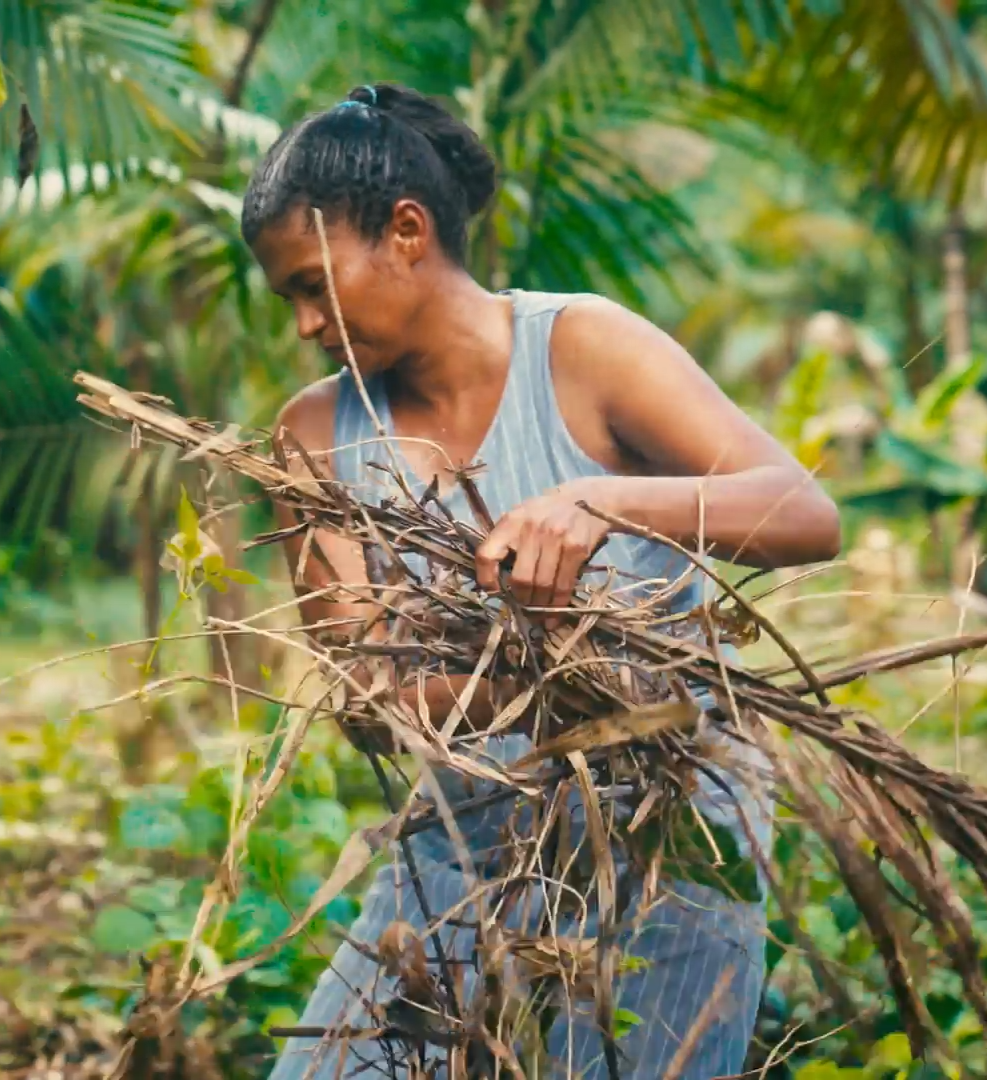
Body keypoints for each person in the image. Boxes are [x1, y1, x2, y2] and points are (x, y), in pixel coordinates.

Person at [242, 82, 840, 1080]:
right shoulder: (312, 438)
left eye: (314, 284)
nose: (305, 325)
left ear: (405, 231)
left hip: (670, 823)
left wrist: (604, 505)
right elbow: (364, 699)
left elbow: (803, 513)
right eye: (289, 299)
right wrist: (532, 663)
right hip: (462, 844)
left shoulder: (583, 347)